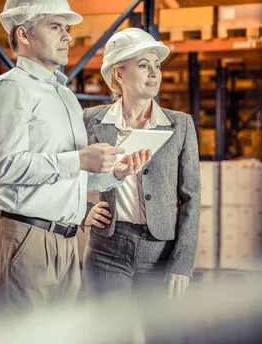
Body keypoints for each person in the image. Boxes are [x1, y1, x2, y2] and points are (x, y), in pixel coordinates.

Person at [0, 0, 151, 315]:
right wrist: (80, 159)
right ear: (24, 34)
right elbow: (8, 166)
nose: (68, 36)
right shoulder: (10, 90)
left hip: (67, 241)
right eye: (55, 27)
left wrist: (113, 173)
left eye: (67, 28)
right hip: (25, 237)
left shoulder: (65, 96)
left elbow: (71, 175)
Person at [83, 27, 201, 302]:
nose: (154, 73)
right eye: (143, 65)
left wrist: (182, 264)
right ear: (119, 73)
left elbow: (191, 198)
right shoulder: (91, 120)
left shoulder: (180, 125)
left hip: (160, 253)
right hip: (106, 251)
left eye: (157, 66)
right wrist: (82, 212)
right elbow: (67, 175)